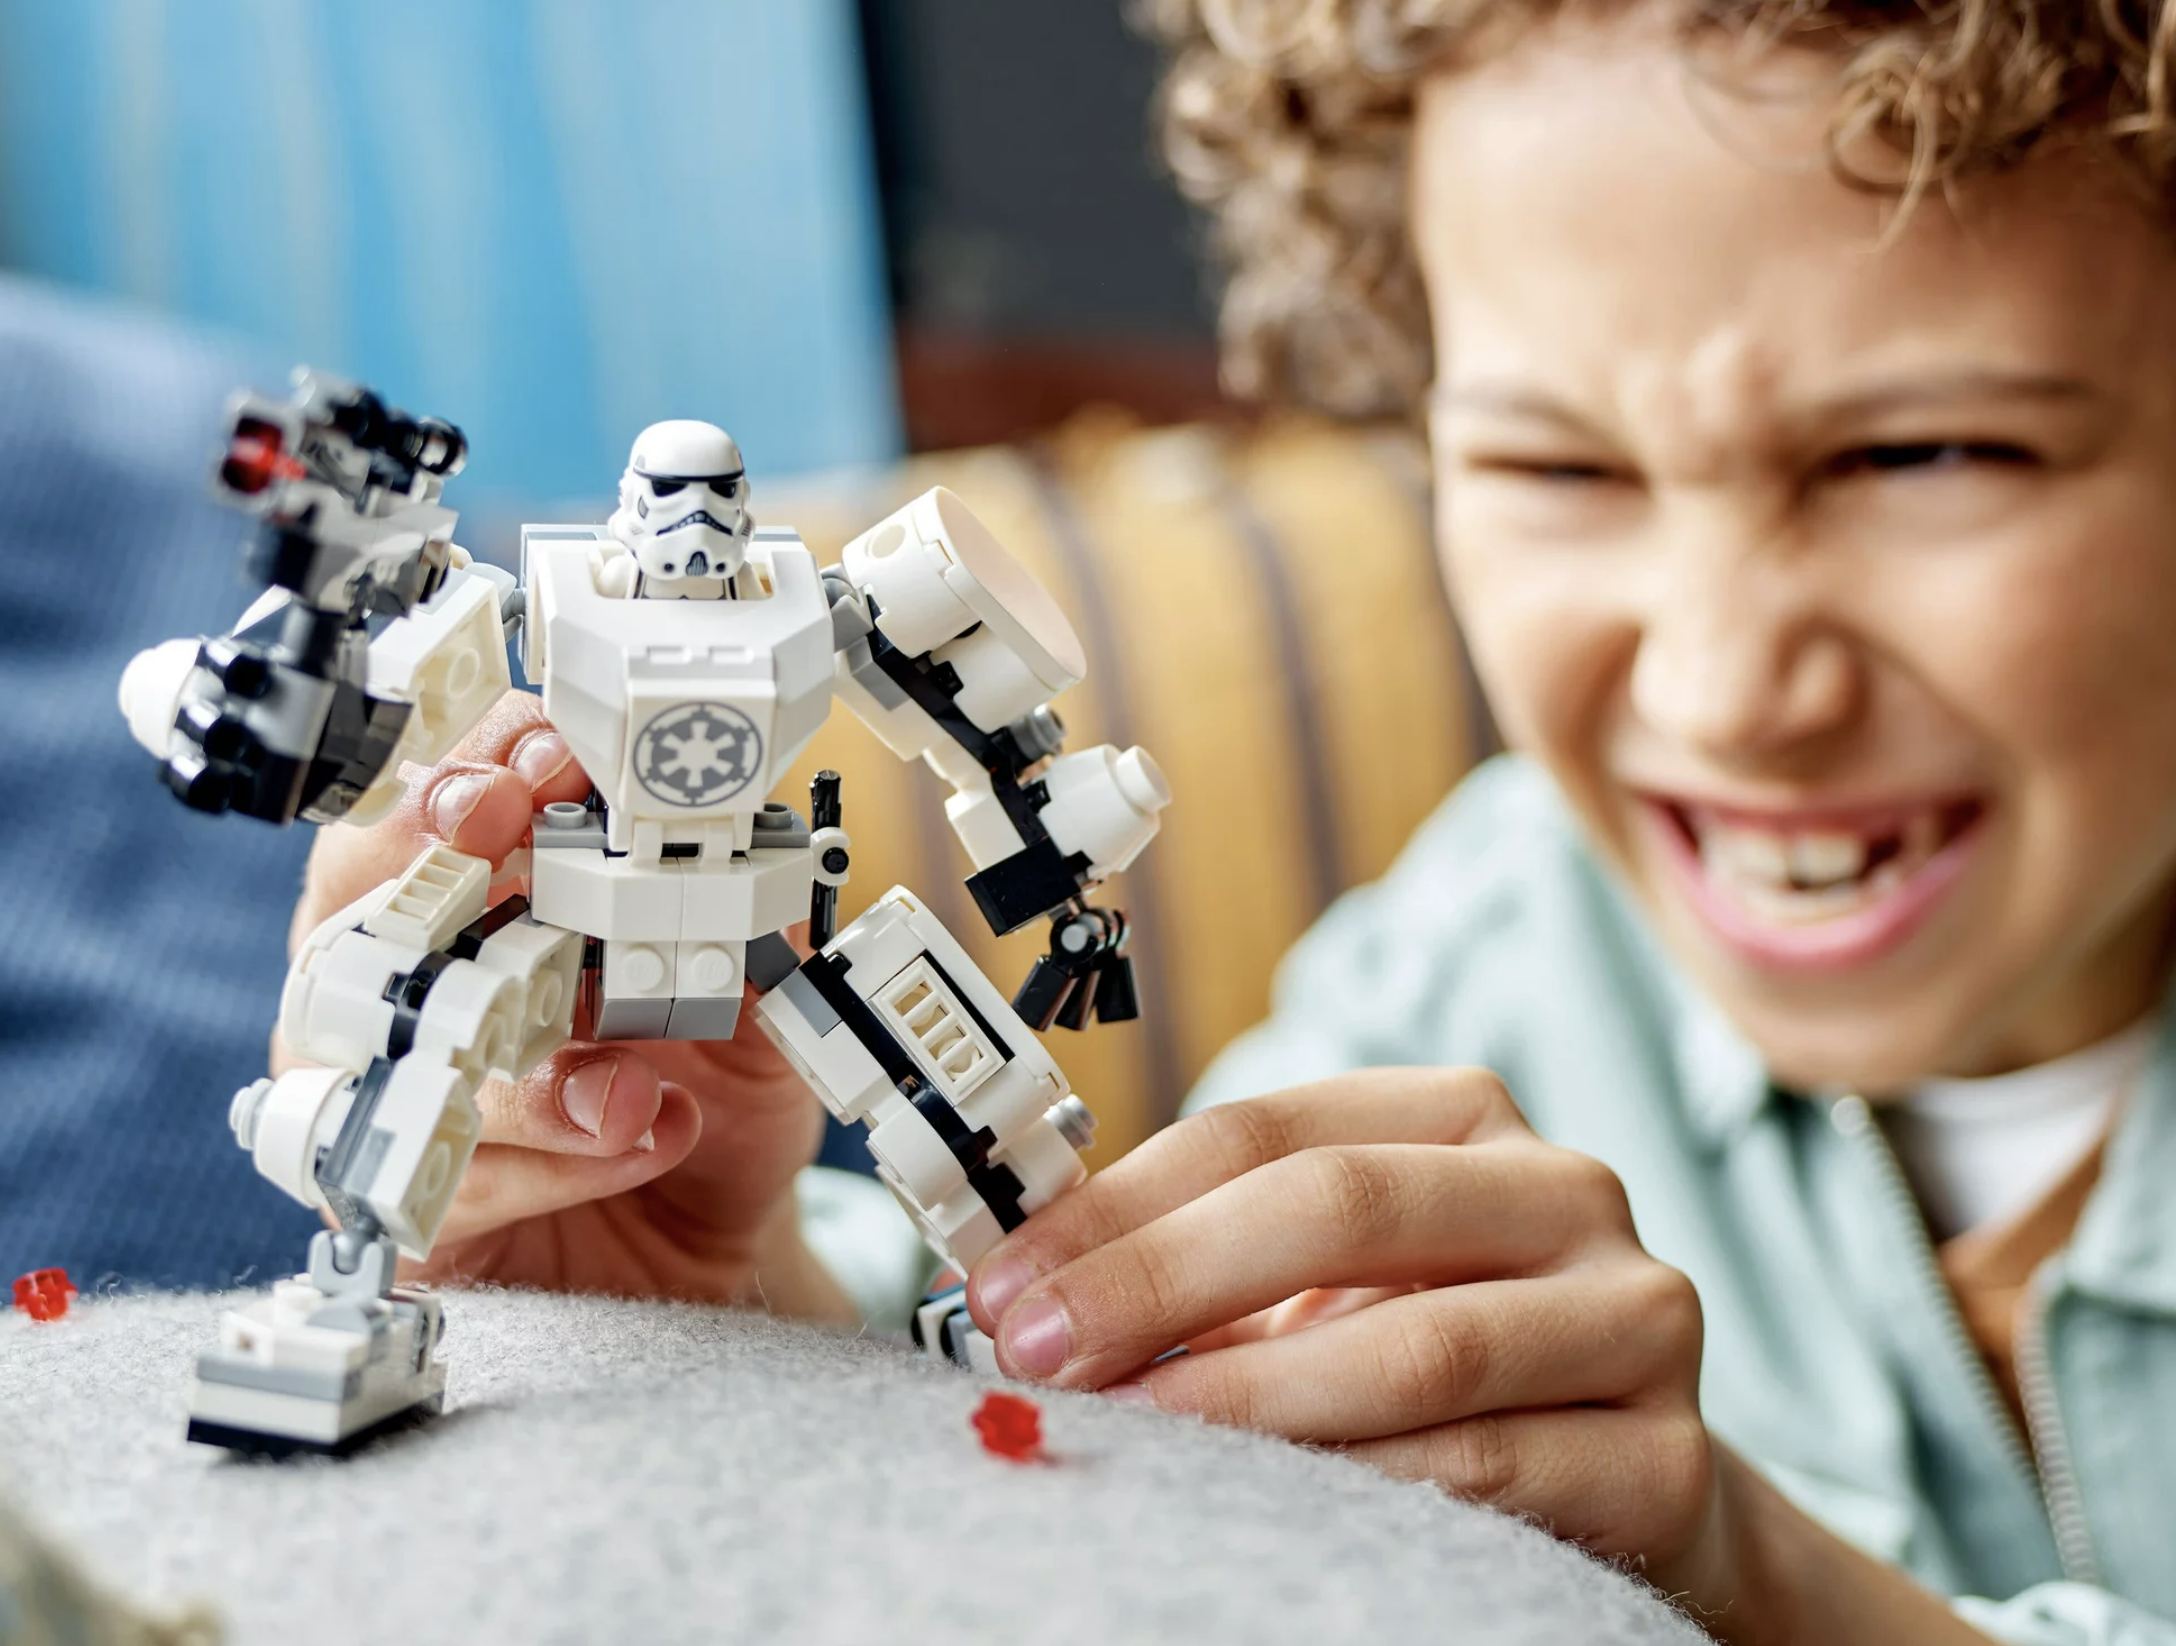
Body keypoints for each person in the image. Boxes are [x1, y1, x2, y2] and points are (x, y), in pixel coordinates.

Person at [276, 0, 2176, 1639]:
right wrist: (711, 1310)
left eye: (1930, 453)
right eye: (1551, 462)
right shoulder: (1481, 961)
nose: (1723, 689)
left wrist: (1756, 1584)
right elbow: (1087, 1371)